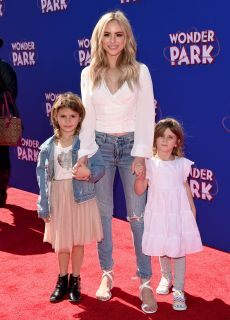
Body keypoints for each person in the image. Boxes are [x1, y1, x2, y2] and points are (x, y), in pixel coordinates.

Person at [75, 10, 157, 313]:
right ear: (99, 38)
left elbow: (147, 115)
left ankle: (145, 280)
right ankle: (107, 273)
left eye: (118, 34)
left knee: (138, 218)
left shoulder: (140, 71)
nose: (113, 40)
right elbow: (88, 119)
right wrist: (84, 155)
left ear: (127, 38)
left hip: (131, 148)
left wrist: (141, 156)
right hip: (101, 149)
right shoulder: (88, 73)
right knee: (103, 217)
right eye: (107, 34)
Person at [36, 92, 105, 303]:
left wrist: (89, 174)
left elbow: (100, 168)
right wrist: (43, 205)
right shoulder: (47, 147)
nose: (68, 121)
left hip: (80, 197)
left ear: (80, 118)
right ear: (55, 117)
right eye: (63, 116)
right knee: (62, 243)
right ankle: (62, 279)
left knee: (77, 242)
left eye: (73, 116)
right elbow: (42, 177)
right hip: (59, 198)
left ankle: (75, 279)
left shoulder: (85, 144)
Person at [134, 117, 203, 311]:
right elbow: (139, 190)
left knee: (178, 249)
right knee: (163, 246)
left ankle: (179, 289)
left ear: (177, 142)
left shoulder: (182, 164)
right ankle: (166, 277)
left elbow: (185, 186)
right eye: (161, 136)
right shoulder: (149, 164)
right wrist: (140, 176)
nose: (165, 141)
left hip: (177, 213)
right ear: (154, 140)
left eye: (170, 137)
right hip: (157, 212)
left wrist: (192, 208)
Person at [0, 38, 19, 207]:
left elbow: (11, 93)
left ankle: (0, 192)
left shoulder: (4, 67)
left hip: (1, 121)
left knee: (1, 157)